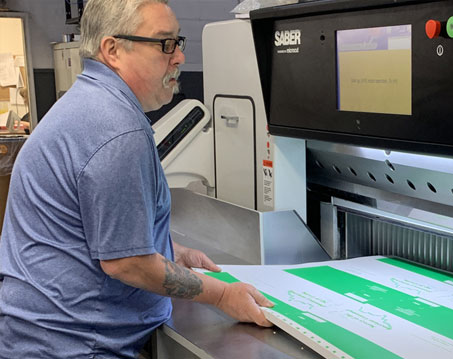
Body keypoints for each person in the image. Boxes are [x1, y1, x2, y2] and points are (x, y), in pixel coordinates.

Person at [0, 0, 273, 358]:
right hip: (73, 345)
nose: (178, 58)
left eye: (179, 42)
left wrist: (168, 249)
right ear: (112, 50)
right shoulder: (117, 129)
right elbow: (127, 263)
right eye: (164, 44)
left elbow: (90, 231)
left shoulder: (90, 103)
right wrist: (222, 294)